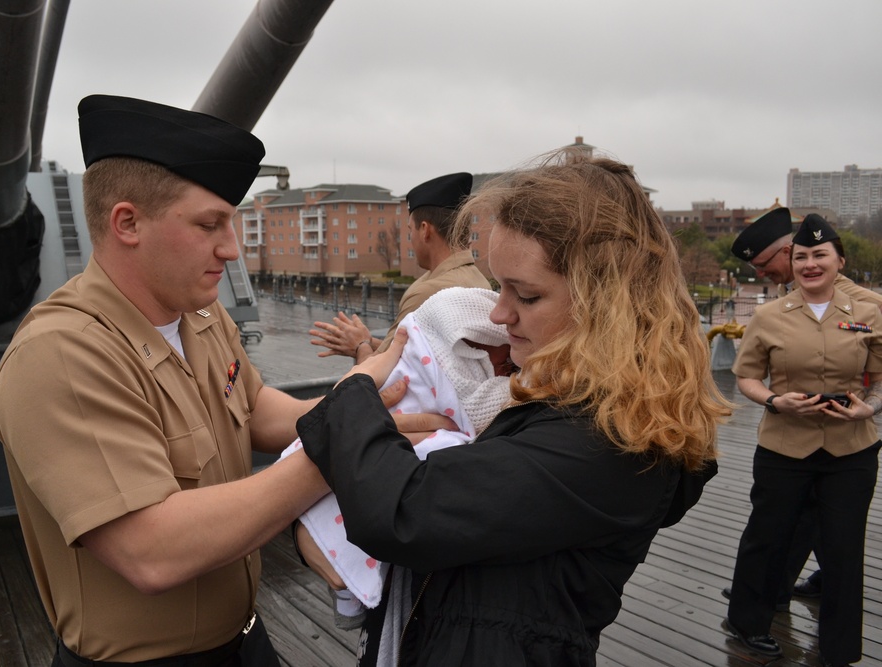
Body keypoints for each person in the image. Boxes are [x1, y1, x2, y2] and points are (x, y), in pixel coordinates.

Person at [0, 95, 446, 666]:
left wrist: (360, 408)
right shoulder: (62, 354)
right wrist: (343, 442)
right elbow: (151, 550)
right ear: (127, 222)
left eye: (230, 222)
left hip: (243, 640)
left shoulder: (200, 315)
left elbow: (253, 406)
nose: (231, 249)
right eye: (209, 225)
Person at [295, 153, 728, 666]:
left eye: (526, 295)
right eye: (499, 286)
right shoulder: (571, 401)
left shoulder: (609, 443)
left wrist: (355, 392)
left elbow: (403, 513)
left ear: (607, 303)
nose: (499, 314)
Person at [285, 287, 511, 638]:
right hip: (428, 616)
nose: (502, 313)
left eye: (527, 294)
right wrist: (354, 401)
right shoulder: (448, 309)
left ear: (422, 230)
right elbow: (414, 360)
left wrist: (353, 399)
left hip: (441, 620)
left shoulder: (432, 293)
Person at [726, 214, 882, 665]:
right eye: (802, 256)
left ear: (840, 260)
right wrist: (776, 401)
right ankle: (750, 619)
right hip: (785, 444)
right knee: (767, 535)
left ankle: (839, 646)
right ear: (792, 260)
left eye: (820, 255)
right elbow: (748, 376)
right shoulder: (771, 313)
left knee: (844, 546)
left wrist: (870, 406)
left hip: (851, 446)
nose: (810, 264)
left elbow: (878, 376)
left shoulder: (867, 311)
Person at [310, 172, 490, 362]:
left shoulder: (428, 292)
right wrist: (369, 342)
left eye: (410, 230)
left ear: (425, 230)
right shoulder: (477, 279)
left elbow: (374, 377)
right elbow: (414, 356)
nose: (410, 239)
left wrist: (359, 346)